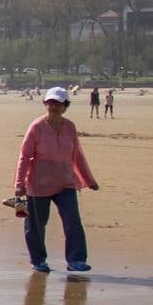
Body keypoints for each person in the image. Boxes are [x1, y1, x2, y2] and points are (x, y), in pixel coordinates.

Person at [14, 87, 99, 273]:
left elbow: (77, 156)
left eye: (58, 103)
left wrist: (89, 180)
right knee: (36, 224)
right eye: (50, 103)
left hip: (65, 182)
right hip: (38, 184)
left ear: (65, 106)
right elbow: (25, 156)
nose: (53, 107)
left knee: (72, 220)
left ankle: (76, 260)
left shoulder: (70, 127)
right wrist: (19, 184)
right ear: (45, 104)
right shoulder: (36, 127)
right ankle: (38, 260)